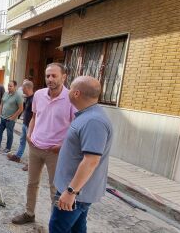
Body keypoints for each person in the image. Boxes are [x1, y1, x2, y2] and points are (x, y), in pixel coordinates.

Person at [12, 63, 76, 225]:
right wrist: (29, 133)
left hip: (55, 151)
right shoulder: (39, 95)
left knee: (55, 188)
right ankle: (29, 213)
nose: (50, 79)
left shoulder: (71, 99)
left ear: (64, 77)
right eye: (48, 76)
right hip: (35, 147)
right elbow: (34, 116)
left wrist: (62, 146)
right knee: (32, 183)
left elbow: (75, 127)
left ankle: (55, 222)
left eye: (54, 76)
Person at [49, 76, 112, 232]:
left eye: (70, 89)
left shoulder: (93, 121)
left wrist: (71, 192)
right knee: (77, 228)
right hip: (75, 190)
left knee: (58, 228)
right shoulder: (87, 115)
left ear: (76, 93)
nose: (68, 91)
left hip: (75, 191)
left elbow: (91, 160)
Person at [7, 80, 34, 171]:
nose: (21, 89)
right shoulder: (28, 97)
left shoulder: (34, 99)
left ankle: (31, 164)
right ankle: (17, 157)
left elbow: (35, 115)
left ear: (26, 88)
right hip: (25, 124)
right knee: (22, 141)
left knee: (32, 145)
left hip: (30, 126)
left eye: (23, 87)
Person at [0, 80, 24, 153]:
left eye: (11, 86)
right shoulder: (5, 93)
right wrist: (0, 114)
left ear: (15, 87)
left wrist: (13, 117)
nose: (9, 87)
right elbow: (1, 104)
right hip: (2, 117)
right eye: (8, 86)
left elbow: (21, 109)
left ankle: (8, 148)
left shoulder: (18, 96)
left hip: (10, 119)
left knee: (9, 134)